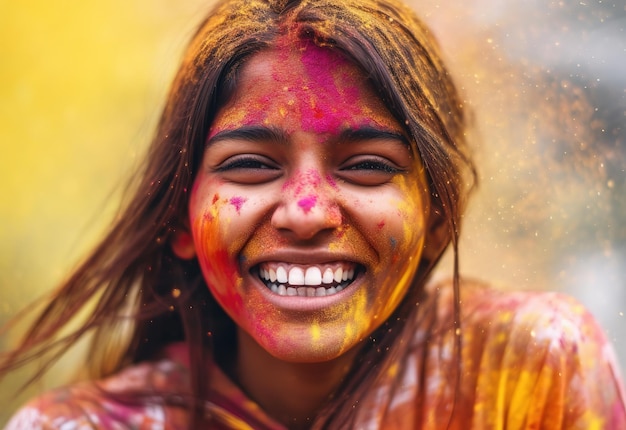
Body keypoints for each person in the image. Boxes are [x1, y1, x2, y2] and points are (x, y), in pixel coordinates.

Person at [2, 0, 625, 428]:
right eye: (249, 165)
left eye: (367, 166)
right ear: (178, 220)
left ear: (438, 216)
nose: (306, 213)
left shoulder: (529, 369)